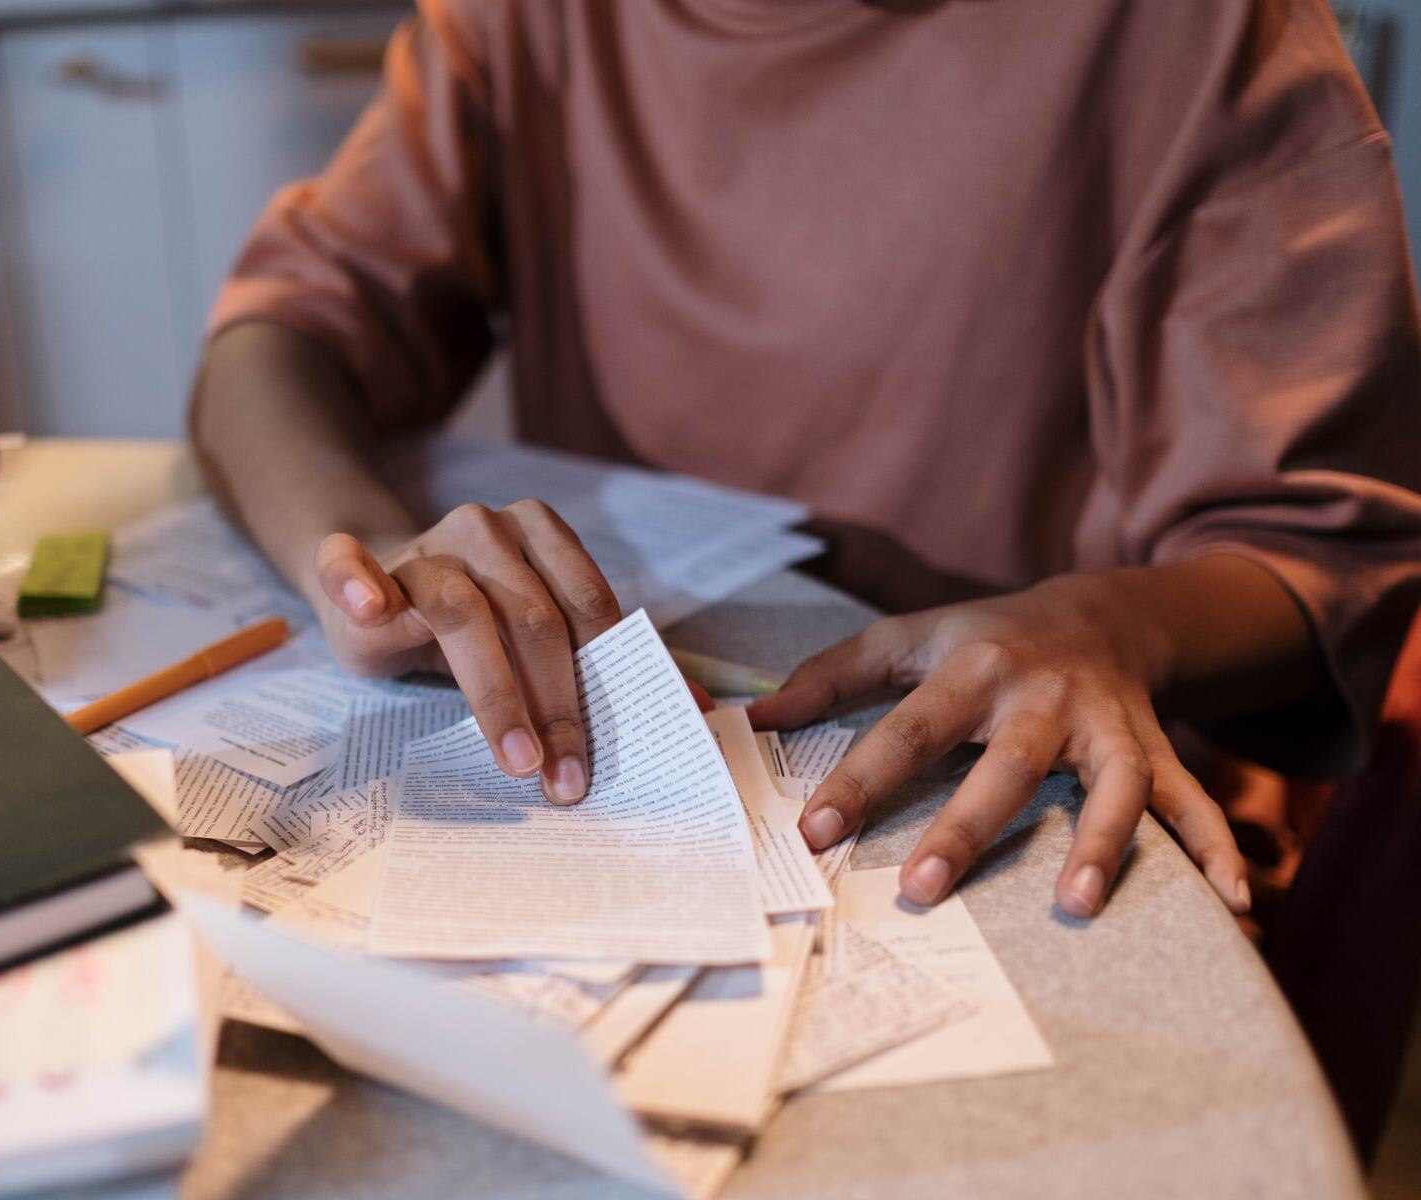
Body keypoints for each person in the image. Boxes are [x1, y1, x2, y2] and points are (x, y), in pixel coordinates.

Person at [190, 0, 1421, 922]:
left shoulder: (1197, 31)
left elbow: (1318, 552)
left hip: (1030, 781)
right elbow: (283, 335)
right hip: (657, 759)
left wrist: (1101, 624)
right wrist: (358, 556)